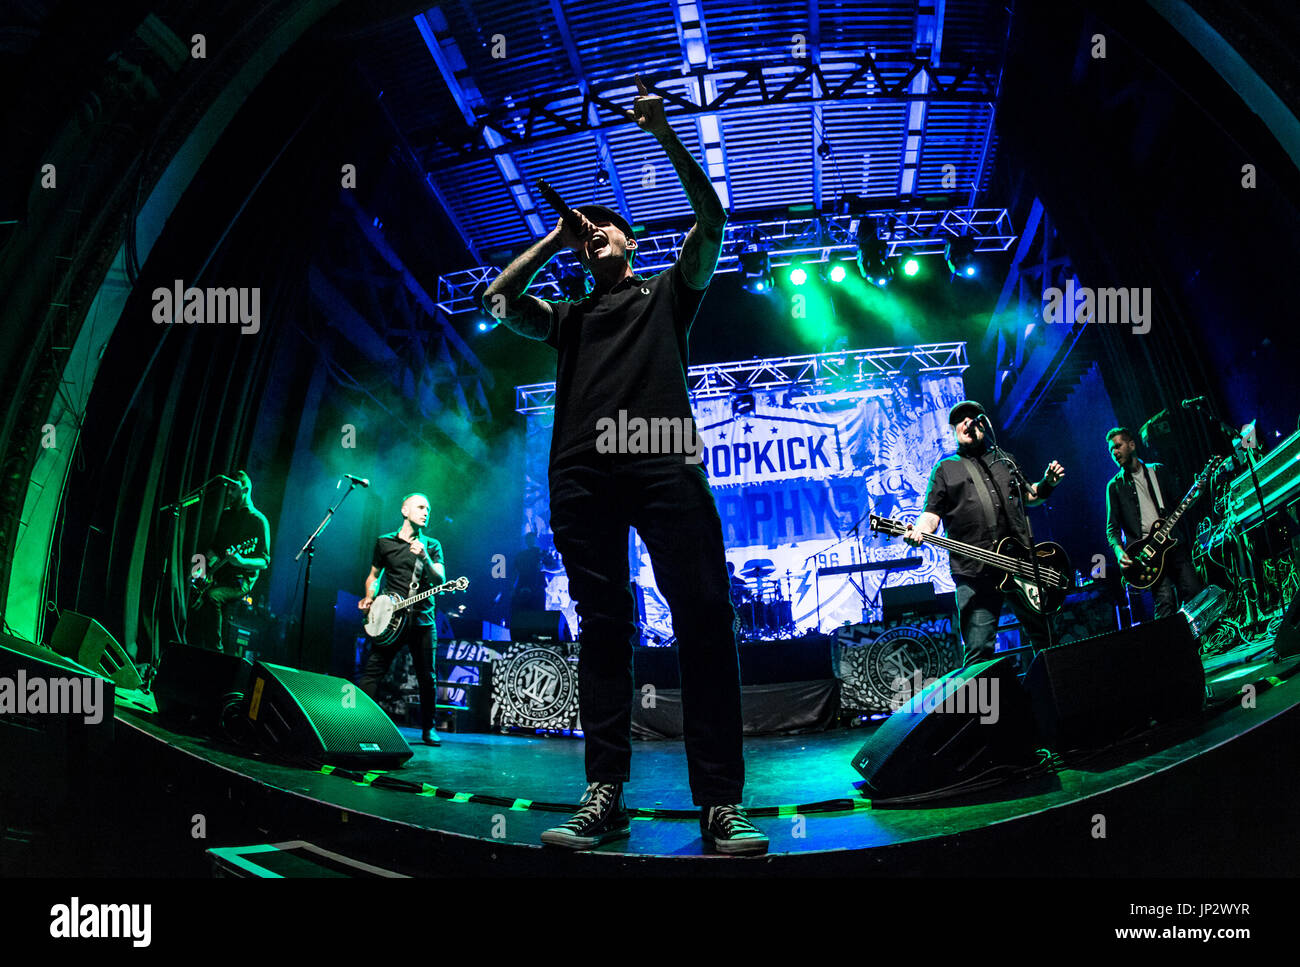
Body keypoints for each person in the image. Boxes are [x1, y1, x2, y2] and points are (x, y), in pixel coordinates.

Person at [482, 77, 766, 854]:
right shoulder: (570, 318)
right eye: (588, 231)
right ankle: (603, 794)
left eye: (608, 225)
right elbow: (498, 302)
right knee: (605, 628)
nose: (595, 232)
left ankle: (719, 801)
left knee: (705, 612)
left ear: (633, 241)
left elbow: (713, 218)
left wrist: (663, 129)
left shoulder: (668, 293)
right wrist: (551, 235)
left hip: (660, 458)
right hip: (580, 473)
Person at [904, 401, 1066, 666]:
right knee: (979, 650)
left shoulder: (1004, 460)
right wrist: (918, 531)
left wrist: (1048, 483)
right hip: (974, 572)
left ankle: (1055, 699)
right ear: (954, 430)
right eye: (960, 420)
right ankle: (985, 708)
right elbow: (931, 514)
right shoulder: (945, 469)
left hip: (1020, 564)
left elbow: (1030, 495)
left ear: (982, 425)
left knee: (1045, 637)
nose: (967, 422)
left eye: (972, 417)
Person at [358, 493, 445, 746]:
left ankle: (428, 728)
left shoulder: (432, 545)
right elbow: (374, 576)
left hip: (422, 621)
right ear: (404, 510)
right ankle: (359, 722)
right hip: (389, 620)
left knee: (426, 676)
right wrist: (368, 597)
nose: (426, 512)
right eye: (420, 507)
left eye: (428, 509)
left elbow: (440, 579)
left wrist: (425, 559)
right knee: (373, 671)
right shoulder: (384, 542)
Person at [1104, 426, 1203, 619]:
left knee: (1193, 590)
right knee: (1164, 601)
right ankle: (1167, 646)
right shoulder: (1114, 487)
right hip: (1147, 553)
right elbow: (1112, 528)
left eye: (1118, 446)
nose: (1114, 452)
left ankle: (1202, 642)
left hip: (1173, 544)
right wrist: (1119, 551)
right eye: (1111, 450)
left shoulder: (1158, 471)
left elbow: (1180, 505)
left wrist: (1196, 494)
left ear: (1131, 445)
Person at [191, 471, 270, 655]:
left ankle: (216, 653)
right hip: (219, 574)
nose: (228, 493)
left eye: (233, 489)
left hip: (240, 582)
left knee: (212, 596)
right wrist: (198, 571)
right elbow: (214, 548)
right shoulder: (226, 515)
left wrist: (241, 560)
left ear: (245, 489)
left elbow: (264, 562)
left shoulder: (258, 521)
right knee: (195, 596)